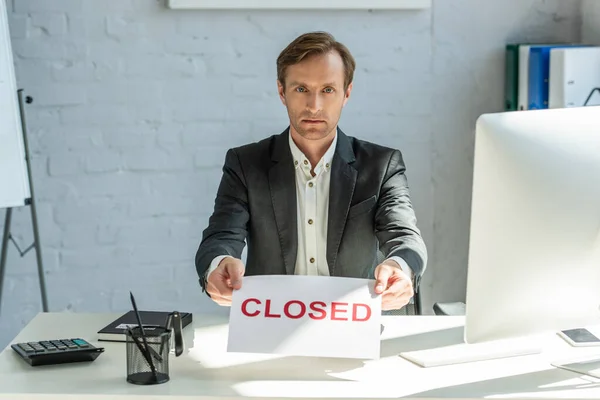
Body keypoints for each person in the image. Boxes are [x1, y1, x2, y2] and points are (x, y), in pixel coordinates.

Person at [195, 31, 427, 311]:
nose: (314, 106)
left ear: (346, 93)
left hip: (353, 320)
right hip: (270, 321)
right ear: (282, 92)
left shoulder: (382, 165)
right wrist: (219, 263)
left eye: (328, 90)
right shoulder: (245, 163)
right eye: (301, 89)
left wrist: (400, 267)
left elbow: (405, 237)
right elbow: (221, 236)